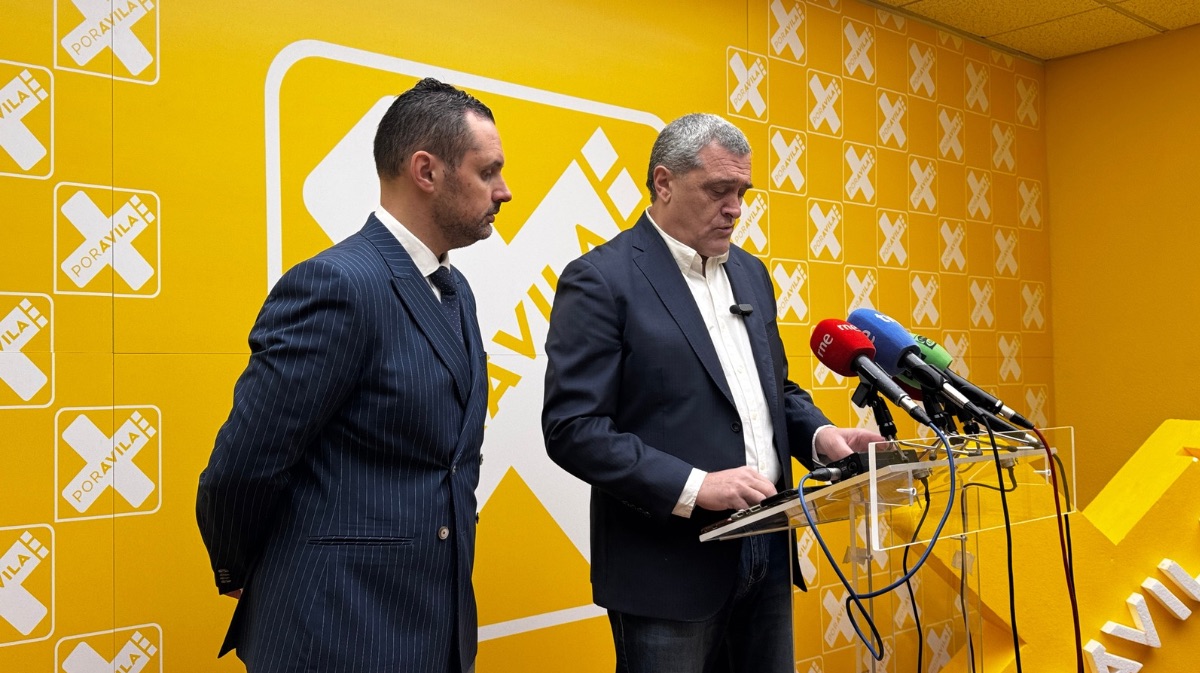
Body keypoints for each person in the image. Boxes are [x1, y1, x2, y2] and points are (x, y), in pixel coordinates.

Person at [541, 113, 882, 672]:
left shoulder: (751, 273)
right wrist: (698, 486)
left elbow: (773, 389)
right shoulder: (601, 279)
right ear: (664, 182)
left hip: (766, 547)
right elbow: (574, 430)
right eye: (719, 190)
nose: (735, 208)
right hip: (667, 568)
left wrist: (820, 436)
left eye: (742, 192)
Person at [196, 78, 511, 673]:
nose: (504, 190)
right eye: (488, 171)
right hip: (334, 633)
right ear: (426, 170)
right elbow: (242, 466)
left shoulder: (456, 290)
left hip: (433, 630)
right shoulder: (337, 284)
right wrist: (242, 567)